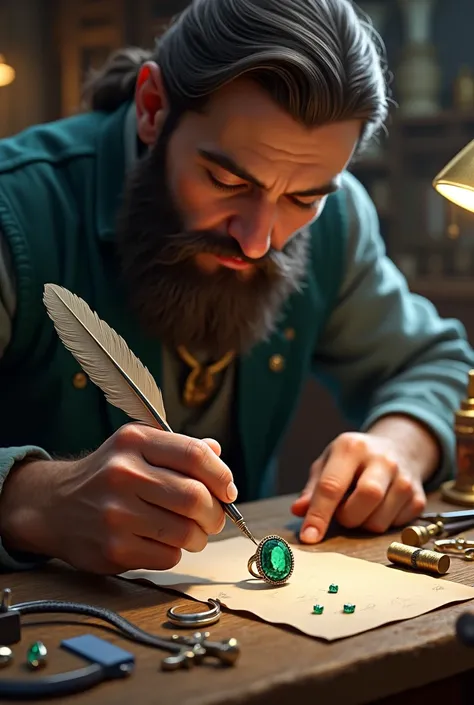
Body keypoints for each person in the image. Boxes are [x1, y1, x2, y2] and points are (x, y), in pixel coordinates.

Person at [0, 0, 471, 576]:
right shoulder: (14, 216)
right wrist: (32, 500)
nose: (258, 240)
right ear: (152, 108)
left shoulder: (338, 220)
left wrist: (401, 445)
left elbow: (437, 363)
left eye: (304, 198)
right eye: (226, 180)